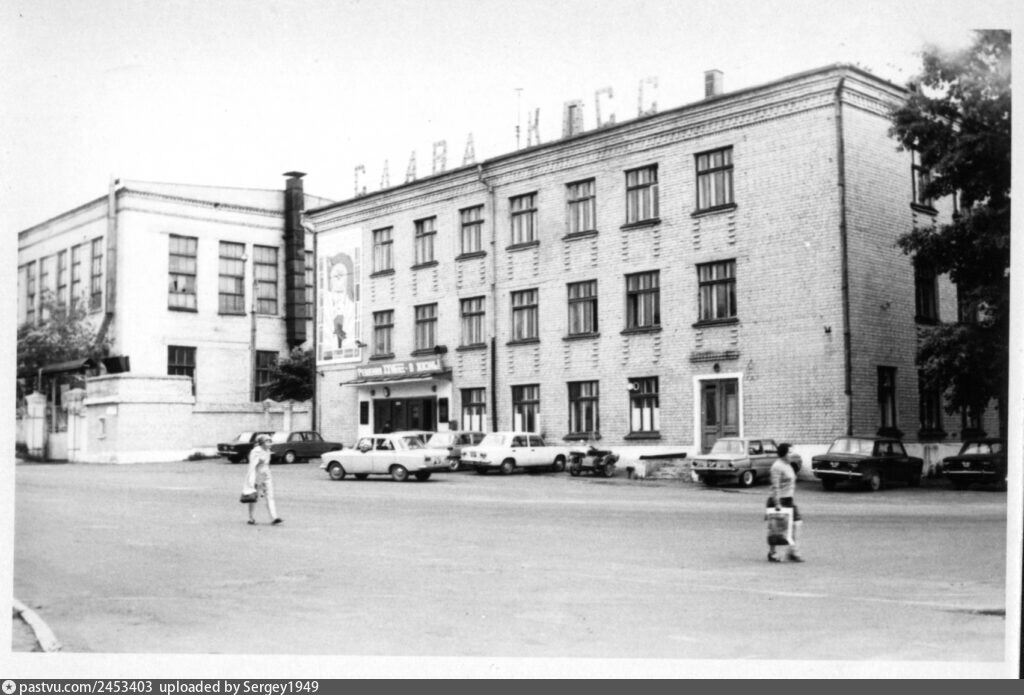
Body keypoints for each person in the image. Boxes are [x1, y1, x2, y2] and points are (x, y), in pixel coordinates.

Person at [767, 442, 802, 562]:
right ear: (783, 454)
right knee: (776, 529)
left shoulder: (788, 465)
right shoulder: (776, 466)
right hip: (779, 500)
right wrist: (777, 504)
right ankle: (772, 553)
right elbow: (775, 486)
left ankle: (793, 552)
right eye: (790, 452)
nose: (792, 454)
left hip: (789, 499)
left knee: (797, 524)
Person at [242, 434, 282, 526]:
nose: (270, 443)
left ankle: (274, 517)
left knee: (270, 496)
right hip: (257, 477)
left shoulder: (267, 451)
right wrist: (252, 481)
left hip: (266, 476)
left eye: (270, 441)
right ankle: (251, 518)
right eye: (267, 441)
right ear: (262, 443)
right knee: (253, 498)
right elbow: (252, 466)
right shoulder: (256, 451)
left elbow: (267, 464)